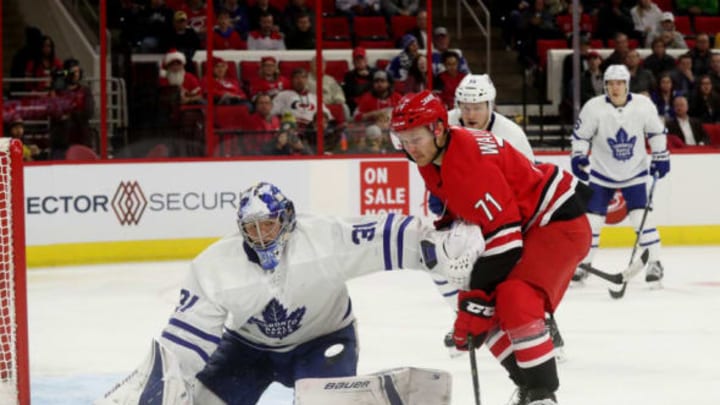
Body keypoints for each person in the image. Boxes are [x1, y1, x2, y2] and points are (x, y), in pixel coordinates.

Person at [98, 181, 454, 404]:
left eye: (268, 224)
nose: (262, 236)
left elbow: (386, 235)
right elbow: (186, 342)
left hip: (323, 341)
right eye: (252, 228)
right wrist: (162, 382)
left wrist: (436, 243)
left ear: (287, 219)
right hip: (249, 349)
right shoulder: (215, 267)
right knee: (202, 401)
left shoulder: (324, 239)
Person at [391, 90, 592, 404]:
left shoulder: (466, 165)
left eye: (415, 137)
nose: (409, 147)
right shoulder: (434, 155)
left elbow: (506, 242)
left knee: (514, 297)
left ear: (439, 129)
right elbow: (473, 207)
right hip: (530, 223)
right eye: (402, 139)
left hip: (557, 223)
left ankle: (542, 394)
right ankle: (529, 387)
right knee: (485, 313)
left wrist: (475, 300)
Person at [570, 64, 669, 286]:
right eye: (611, 83)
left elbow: (656, 132)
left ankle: (654, 262)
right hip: (601, 173)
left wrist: (661, 156)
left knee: (640, 219)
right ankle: (584, 264)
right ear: (605, 85)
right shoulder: (593, 108)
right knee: (592, 221)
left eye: (620, 83)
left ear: (627, 85)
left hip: (634, 173)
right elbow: (581, 136)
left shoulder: (643, 105)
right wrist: (578, 156)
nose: (615, 88)